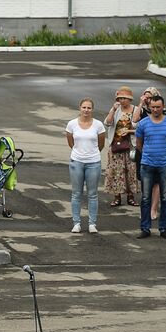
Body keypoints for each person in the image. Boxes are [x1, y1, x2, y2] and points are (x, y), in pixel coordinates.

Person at [135, 93, 166, 239]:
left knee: (165, 198)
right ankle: (145, 228)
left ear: (163, 107)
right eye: (153, 107)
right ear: (150, 107)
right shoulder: (143, 124)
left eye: (158, 107)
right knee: (145, 198)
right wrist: (149, 154)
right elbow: (139, 144)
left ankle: (164, 228)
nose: (155, 110)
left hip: (165, 165)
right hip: (147, 165)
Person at [61, 97, 107, 234]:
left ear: (92, 109)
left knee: (92, 194)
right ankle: (76, 223)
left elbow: (101, 144)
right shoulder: (72, 124)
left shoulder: (98, 125)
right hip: (77, 162)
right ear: (80, 108)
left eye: (89, 108)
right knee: (76, 193)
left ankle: (92, 223)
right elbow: (71, 142)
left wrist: (91, 154)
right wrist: (79, 153)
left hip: (93, 162)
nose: (86, 110)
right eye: (84, 107)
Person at [104, 86, 140, 208]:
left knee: (131, 170)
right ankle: (117, 196)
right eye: (120, 98)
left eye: (125, 98)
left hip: (130, 145)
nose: (122, 101)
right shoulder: (116, 109)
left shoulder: (135, 110)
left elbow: (139, 128)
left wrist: (129, 131)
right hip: (116, 144)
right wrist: (113, 110)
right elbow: (108, 122)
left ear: (130, 99)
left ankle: (131, 196)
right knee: (116, 170)